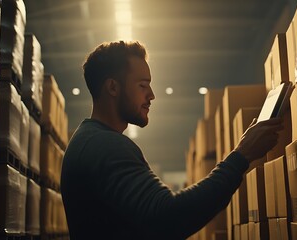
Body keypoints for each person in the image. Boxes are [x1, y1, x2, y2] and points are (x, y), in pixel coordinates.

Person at [60, 40, 283, 240]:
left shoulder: (88, 141)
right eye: (142, 85)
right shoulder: (103, 146)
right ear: (113, 87)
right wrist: (241, 156)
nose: (151, 95)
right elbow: (169, 216)